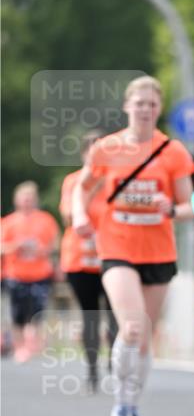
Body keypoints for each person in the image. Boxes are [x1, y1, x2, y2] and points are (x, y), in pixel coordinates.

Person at [72, 76, 194, 416]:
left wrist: (172, 208)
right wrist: (80, 216)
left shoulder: (173, 152)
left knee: (145, 340)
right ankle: (120, 410)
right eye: (139, 103)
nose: (145, 109)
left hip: (158, 252)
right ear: (127, 107)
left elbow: (192, 205)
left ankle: (133, 407)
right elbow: (83, 186)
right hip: (117, 248)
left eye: (152, 104)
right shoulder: (107, 148)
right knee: (133, 328)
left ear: (159, 108)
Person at [60, 130, 117, 392]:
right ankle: (92, 367)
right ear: (85, 154)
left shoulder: (116, 180)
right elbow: (69, 216)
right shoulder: (73, 182)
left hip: (111, 256)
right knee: (90, 315)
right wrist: (91, 185)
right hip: (80, 259)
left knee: (116, 315)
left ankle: (116, 366)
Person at [1, 182, 59, 362]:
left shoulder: (46, 220)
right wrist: (15, 246)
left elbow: (56, 244)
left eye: (30, 199)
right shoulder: (8, 222)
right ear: (17, 200)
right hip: (15, 274)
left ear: (35, 200)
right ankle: (19, 348)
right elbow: (2, 248)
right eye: (23, 199)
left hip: (40, 274)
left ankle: (34, 345)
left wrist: (43, 250)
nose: (26, 202)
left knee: (37, 311)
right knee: (17, 313)